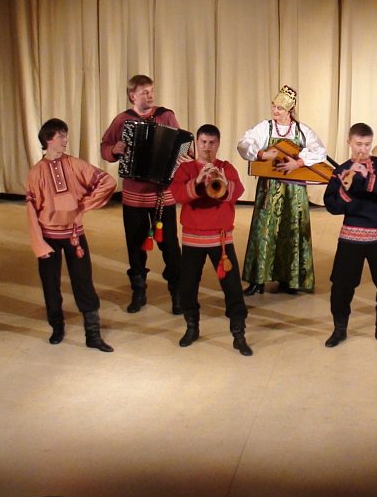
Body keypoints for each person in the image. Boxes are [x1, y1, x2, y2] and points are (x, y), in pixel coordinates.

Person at [27, 119, 118, 352]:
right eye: (61, 136)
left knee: (83, 282)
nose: (66, 140)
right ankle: (57, 327)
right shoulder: (35, 172)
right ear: (48, 139)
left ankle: (93, 334)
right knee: (51, 285)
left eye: (65, 135)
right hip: (48, 236)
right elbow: (31, 211)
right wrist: (39, 244)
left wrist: (84, 205)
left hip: (74, 235)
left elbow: (107, 181)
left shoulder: (75, 164)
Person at [100, 74, 187, 314]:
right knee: (135, 246)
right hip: (134, 196)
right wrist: (114, 149)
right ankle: (138, 291)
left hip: (162, 194)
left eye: (151, 91)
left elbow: (181, 144)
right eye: (144, 92)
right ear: (132, 96)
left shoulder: (166, 116)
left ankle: (177, 292)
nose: (150, 96)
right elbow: (105, 147)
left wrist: (180, 158)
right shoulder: (123, 120)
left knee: (170, 246)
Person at [236, 85, 327, 295]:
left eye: (280, 108)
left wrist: (299, 163)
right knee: (263, 231)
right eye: (274, 106)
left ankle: (290, 280)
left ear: (290, 110)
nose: (275, 111)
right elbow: (244, 144)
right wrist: (261, 154)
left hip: (294, 192)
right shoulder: (265, 128)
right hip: (269, 189)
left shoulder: (302, 131)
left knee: (292, 231)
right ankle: (257, 280)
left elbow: (320, 152)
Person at [171, 124, 252, 356]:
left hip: (221, 239)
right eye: (203, 142)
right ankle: (192, 327)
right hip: (193, 239)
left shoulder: (225, 168)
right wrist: (198, 181)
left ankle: (238, 334)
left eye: (212, 143)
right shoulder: (186, 169)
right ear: (197, 143)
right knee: (188, 287)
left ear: (218, 144)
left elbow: (237, 192)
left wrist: (222, 182)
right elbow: (177, 195)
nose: (207, 147)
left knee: (233, 288)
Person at [324, 123, 377, 348]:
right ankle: (339, 329)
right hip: (350, 236)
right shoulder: (340, 171)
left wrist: (368, 176)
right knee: (341, 286)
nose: (363, 149)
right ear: (349, 143)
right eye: (358, 144)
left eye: (367, 144)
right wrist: (346, 189)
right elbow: (332, 206)